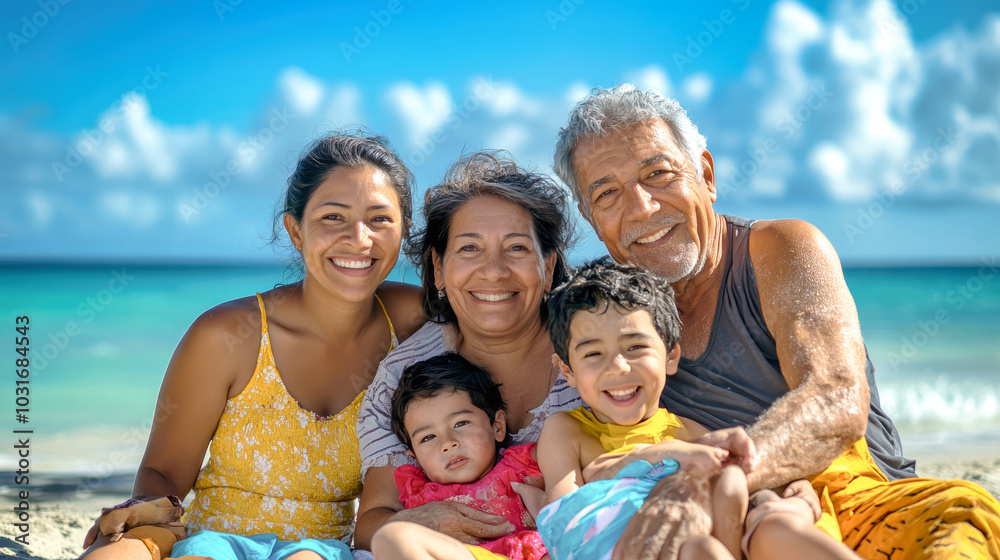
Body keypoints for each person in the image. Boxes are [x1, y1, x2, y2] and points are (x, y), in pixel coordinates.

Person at [552, 84, 1000, 559]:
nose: (641, 207)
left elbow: (835, 396)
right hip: (728, 531)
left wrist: (703, 484)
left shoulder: (779, 249)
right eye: (608, 195)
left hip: (862, 502)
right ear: (590, 217)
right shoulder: (601, 309)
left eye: (658, 174)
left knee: (962, 521)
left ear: (705, 174)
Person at [80, 133, 426, 560]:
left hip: (323, 551)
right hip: (209, 543)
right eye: (333, 217)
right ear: (295, 230)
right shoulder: (228, 333)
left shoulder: (413, 323)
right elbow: (164, 471)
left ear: (405, 230)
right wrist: (143, 516)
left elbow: (494, 312)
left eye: (379, 219)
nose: (359, 239)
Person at [536, 259, 863, 560]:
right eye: (593, 354)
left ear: (671, 357)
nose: (619, 367)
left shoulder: (691, 431)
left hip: (711, 539)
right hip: (628, 547)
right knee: (700, 546)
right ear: (567, 371)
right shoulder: (567, 430)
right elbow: (567, 514)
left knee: (765, 515)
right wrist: (659, 453)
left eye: (635, 347)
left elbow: (742, 483)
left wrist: (792, 491)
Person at [355, 152, 584, 555]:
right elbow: (372, 522)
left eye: (516, 247)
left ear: (548, 268)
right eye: (469, 249)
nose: (493, 271)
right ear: (439, 269)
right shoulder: (402, 376)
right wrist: (418, 524)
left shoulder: (592, 352)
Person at [372, 352, 548, 560]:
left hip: (528, 553)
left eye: (460, 424)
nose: (448, 443)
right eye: (428, 437)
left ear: (497, 426)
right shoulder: (421, 500)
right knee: (392, 537)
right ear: (415, 457)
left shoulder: (522, 467)